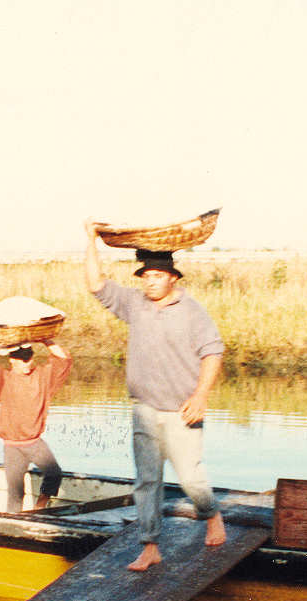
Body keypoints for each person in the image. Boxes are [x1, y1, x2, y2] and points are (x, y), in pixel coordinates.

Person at [83, 219, 227, 571]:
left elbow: (213, 352)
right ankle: (150, 546)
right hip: (144, 410)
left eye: (157, 276)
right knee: (146, 482)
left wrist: (201, 397)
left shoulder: (192, 312)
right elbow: (95, 284)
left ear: (172, 278)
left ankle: (211, 515)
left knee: (190, 478)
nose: (150, 282)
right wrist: (90, 239)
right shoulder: (135, 304)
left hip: (181, 412)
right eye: (145, 276)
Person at [0, 320, 72, 512]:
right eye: (22, 359)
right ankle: (15, 519)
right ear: (11, 360)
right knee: (15, 493)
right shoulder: (3, 379)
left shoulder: (43, 376)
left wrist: (44, 338)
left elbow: (64, 360)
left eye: (29, 358)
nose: (27, 362)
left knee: (54, 473)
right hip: (12, 445)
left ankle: (40, 506)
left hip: (34, 442)